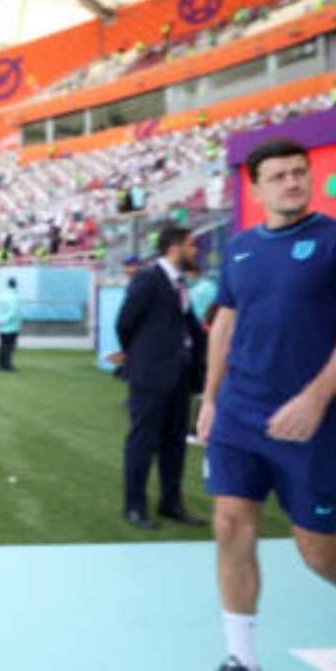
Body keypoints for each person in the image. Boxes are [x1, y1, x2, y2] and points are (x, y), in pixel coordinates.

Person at [188, 137, 336, 671]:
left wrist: (316, 398)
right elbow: (224, 327)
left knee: (321, 556)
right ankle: (243, 664)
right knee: (229, 527)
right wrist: (211, 398)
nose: (293, 182)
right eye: (280, 175)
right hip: (239, 413)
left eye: (300, 172)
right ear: (257, 187)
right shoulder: (239, 250)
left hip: (310, 424)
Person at [116, 225, 205, 529]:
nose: (196, 250)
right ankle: (134, 507)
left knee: (174, 445)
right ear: (174, 247)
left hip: (179, 376)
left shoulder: (179, 285)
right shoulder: (148, 278)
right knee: (142, 443)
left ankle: (171, 503)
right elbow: (125, 323)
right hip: (151, 375)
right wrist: (142, 358)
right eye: (192, 244)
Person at [0, 277, 21, 372]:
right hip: (11, 326)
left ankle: (1, 365)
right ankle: (7, 366)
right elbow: (13, 312)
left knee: (2, 346)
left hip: (1, 326)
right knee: (9, 347)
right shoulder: (14, 297)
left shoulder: (1, 295)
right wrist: (4, 321)